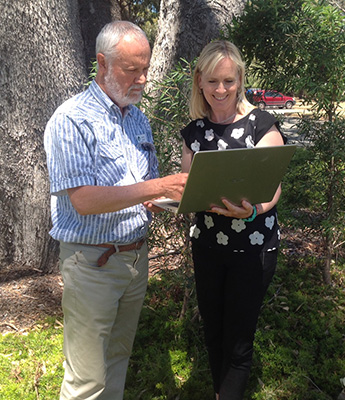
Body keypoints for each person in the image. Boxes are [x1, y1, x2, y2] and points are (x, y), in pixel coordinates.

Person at [44, 21, 187, 400]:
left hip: (135, 259)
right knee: (86, 379)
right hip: (93, 263)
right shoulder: (71, 119)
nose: (142, 79)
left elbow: (143, 192)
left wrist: (179, 198)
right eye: (131, 69)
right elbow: (83, 200)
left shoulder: (137, 117)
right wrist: (159, 186)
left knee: (118, 359)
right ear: (103, 63)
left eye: (145, 68)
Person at [180, 40, 287, 400]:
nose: (221, 89)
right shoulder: (194, 132)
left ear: (240, 79)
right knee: (213, 333)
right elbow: (189, 187)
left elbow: (272, 188)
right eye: (212, 81)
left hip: (253, 248)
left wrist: (254, 210)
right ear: (199, 82)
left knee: (238, 341)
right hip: (208, 246)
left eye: (228, 80)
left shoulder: (261, 123)